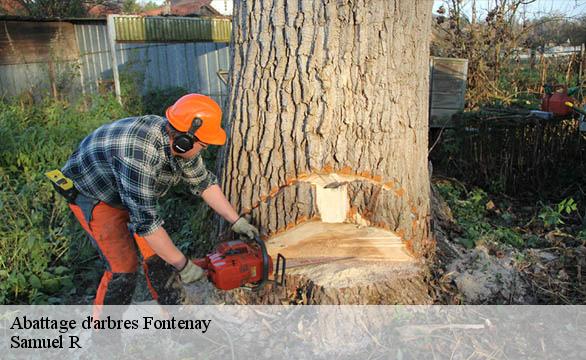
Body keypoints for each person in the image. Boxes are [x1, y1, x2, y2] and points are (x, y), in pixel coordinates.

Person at [57, 93, 259, 305]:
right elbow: (147, 225)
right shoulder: (139, 155)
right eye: (204, 144)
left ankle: (176, 322)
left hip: (131, 188)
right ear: (184, 140)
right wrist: (184, 265)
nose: (204, 148)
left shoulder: (182, 144)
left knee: (160, 259)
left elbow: (203, 183)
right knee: (123, 270)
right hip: (95, 193)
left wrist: (236, 221)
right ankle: (105, 337)